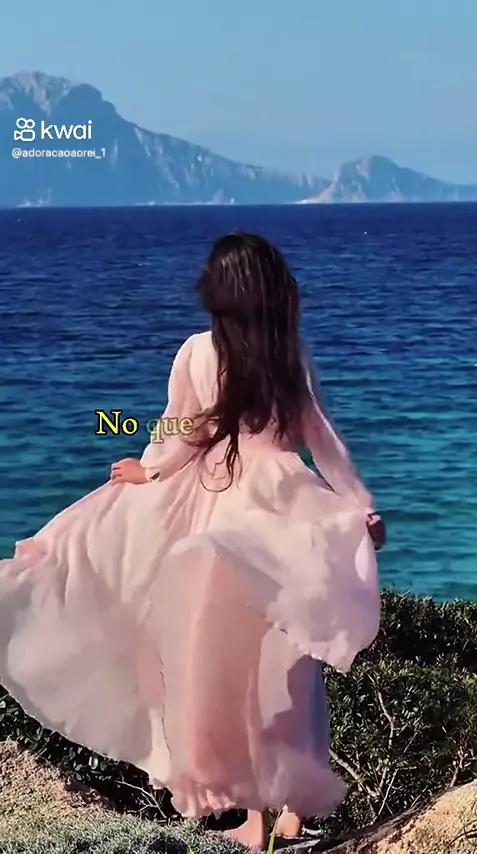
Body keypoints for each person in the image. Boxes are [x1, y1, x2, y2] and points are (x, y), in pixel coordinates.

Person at [0, 232, 385, 850]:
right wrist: (361, 507)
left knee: (233, 660)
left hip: (226, 509)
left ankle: (264, 815)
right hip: (284, 507)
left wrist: (149, 470)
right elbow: (321, 438)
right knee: (285, 659)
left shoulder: (206, 352)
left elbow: (183, 428)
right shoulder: (286, 353)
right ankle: (284, 809)